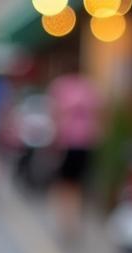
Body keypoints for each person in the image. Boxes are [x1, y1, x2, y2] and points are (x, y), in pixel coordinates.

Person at [48, 62, 103, 241]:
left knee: (64, 184)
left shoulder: (60, 86)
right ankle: (74, 220)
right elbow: (100, 114)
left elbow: (55, 114)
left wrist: (54, 140)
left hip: (67, 143)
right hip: (86, 143)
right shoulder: (90, 87)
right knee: (78, 184)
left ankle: (67, 219)